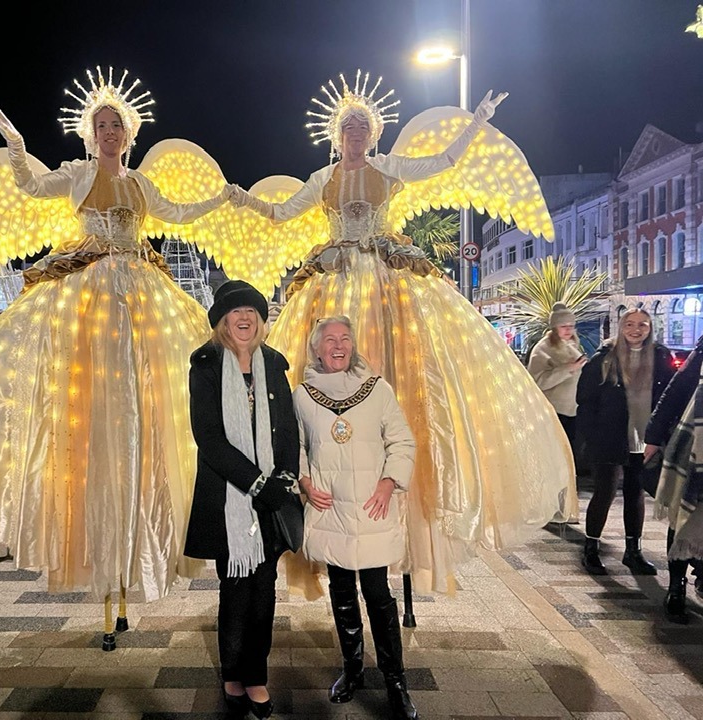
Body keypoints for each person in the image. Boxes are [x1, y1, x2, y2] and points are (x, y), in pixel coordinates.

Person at [227, 73, 574, 593]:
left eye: (362, 127)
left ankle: (399, 501)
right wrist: (242, 200)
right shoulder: (324, 180)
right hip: (336, 281)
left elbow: (443, 164)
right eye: (347, 127)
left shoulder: (388, 168)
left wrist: (476, 121)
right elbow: (281, 211)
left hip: (385, 286)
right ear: (336, 133)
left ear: (374, 133)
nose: (355, 134)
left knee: (400, 376)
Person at [0, 68, 230, 650]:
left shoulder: (140, 187)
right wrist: (16, 147)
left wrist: (223, 195)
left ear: (128, 132)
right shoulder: (74, 176)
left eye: (116, 123)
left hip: (141, 299)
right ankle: (104, 578)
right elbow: (32, 190)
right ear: (90, 134)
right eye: (101, 124)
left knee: (149, 411)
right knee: (87, 415)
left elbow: (183, 214)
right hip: (88, 303)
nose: (109, 130)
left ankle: (141, 545)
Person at [183, 279, 300, 720]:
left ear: (261, 320)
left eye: (251, 311)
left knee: (265, 590)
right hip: (229, 498)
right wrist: (256, 483)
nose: (244, 317)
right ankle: (232, 673)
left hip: (270, 500)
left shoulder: (274, 363)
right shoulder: (207, 365)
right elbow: (208, 438)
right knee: (235, 589)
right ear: (222, 322)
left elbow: (287, 429)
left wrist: (283, 480)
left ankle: (256, 676)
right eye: (235, 312)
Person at [294, 316, 418, 718]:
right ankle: (353, 670)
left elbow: (401, 440)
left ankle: (396, 681)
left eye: (345, 338)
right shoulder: (303, 395)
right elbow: (293, 446)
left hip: (370, 507)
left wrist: (388, 482)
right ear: (316, 348)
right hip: (330, 509)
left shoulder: (378, 390)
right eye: (330, 339)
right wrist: (305, 482)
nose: (338, 345)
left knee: (379, 596)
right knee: (342, 592)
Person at [576, 308, 676, 575]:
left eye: (642, 325)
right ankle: (591, 549)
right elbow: (585, 401)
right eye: (629, 324)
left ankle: (634, 552)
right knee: (605, 492)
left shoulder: (660, 356)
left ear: (650, 328)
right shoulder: (604, 357)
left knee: (636, 493)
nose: (635, 330)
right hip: (610, 435)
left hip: (645, 438)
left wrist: (663, 435)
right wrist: (589, 437)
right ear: (620, 327)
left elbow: (670, 397)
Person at [645, 334, 703, 621]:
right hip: (696, 449)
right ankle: (676, 586)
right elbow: (677, 391)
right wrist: (653, 437)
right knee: (684, 512)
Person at [527, 303, 587, 460]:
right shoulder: (542, 349)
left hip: (573, 411)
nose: (568, 330)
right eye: (563, 326)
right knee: (555, 455)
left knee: (568, 454)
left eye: (571, 326)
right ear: (554, 327)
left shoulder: (573, 345)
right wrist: (568, 369)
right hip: (553, 412)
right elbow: (537, 382)